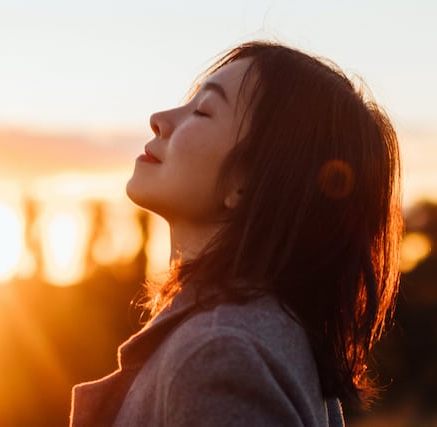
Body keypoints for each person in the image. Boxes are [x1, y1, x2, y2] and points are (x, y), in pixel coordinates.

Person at [70, 41, 402, 427]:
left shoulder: (219, 354)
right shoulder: (268, 335)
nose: (159, 118)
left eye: (203, 111)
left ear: (249, 181)